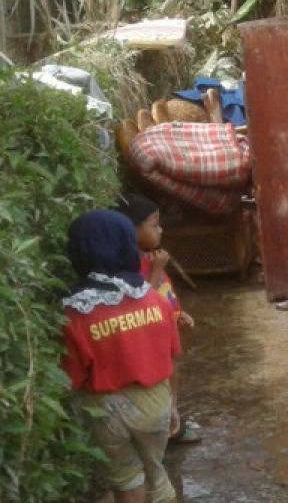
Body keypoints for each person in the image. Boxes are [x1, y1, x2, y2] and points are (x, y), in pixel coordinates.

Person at [61, 210, 181, 503]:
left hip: (106, 410)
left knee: (126, 479)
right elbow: (172, 358)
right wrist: (173, 405)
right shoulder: (155, 299)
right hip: (156, 404)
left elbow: (72, 378)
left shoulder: (74, 313)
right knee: (156, 471)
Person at [114, 193, 200, 445]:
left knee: (171, 372)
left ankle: (172, 416)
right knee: (157, 382)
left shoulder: (149, 258)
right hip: (148, 337)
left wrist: (177, 313)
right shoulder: (132, 268)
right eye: (154, 224)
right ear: (132, 230)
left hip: (165, 331)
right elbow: (140, 301)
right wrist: (157, 271)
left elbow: (163, 294)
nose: (160, 230)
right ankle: (166, 426)